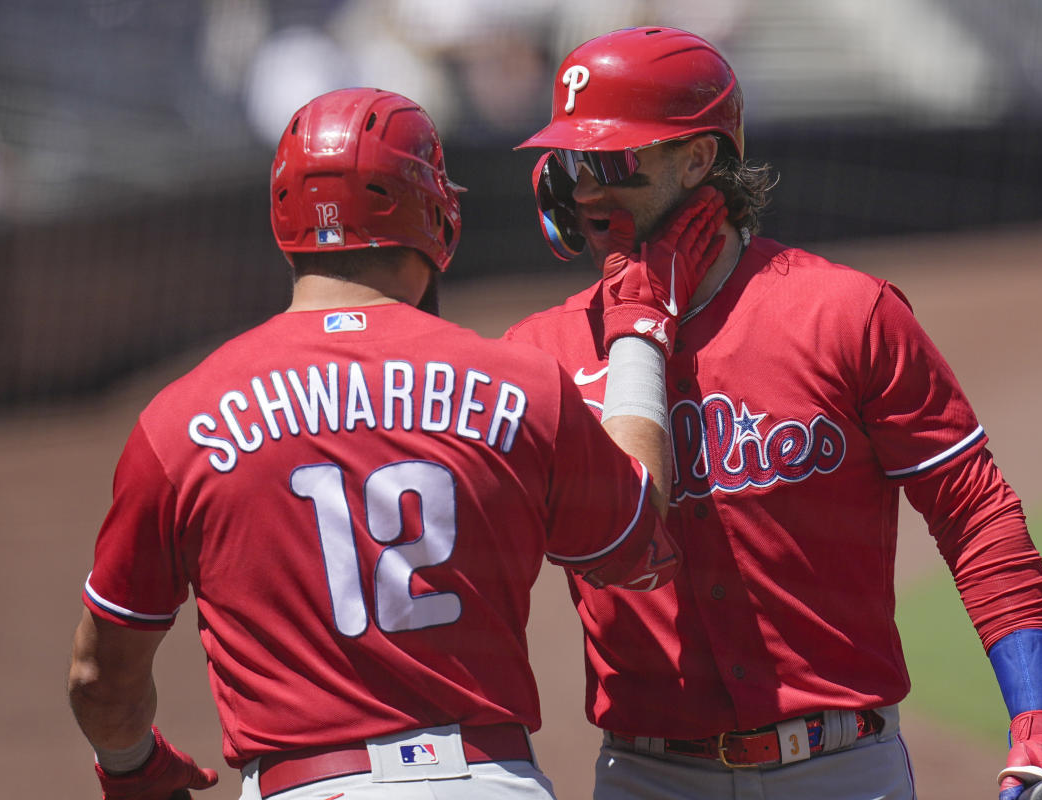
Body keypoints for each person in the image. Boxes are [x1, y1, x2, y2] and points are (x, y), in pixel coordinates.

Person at [66, 86, 713, 800]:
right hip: (489, 782)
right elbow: (639, 547)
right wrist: (639, 324)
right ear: (433, 209)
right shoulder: (523, 383)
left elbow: (101, 681)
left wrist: (131, 766)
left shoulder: (179, 420)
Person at [505, 26, 1042, 800]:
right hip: (646, 775)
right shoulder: (536, 353)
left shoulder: (843, 315)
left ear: (698, 158)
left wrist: (1039, 729)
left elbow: (977, 515)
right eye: (572, 162)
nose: (583, 191)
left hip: (844, 772)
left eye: (613, 161)